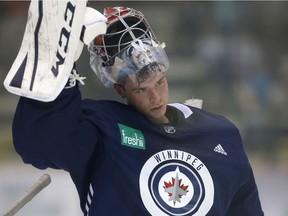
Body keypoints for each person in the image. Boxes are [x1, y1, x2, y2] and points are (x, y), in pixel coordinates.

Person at [12, 6, 264, 216]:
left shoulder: (220, 134)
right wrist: (59, 68)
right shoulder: (103, 129)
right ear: (121, 90)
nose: (156, 97)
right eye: (142, 90)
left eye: (159, 82)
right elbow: (40, 143)